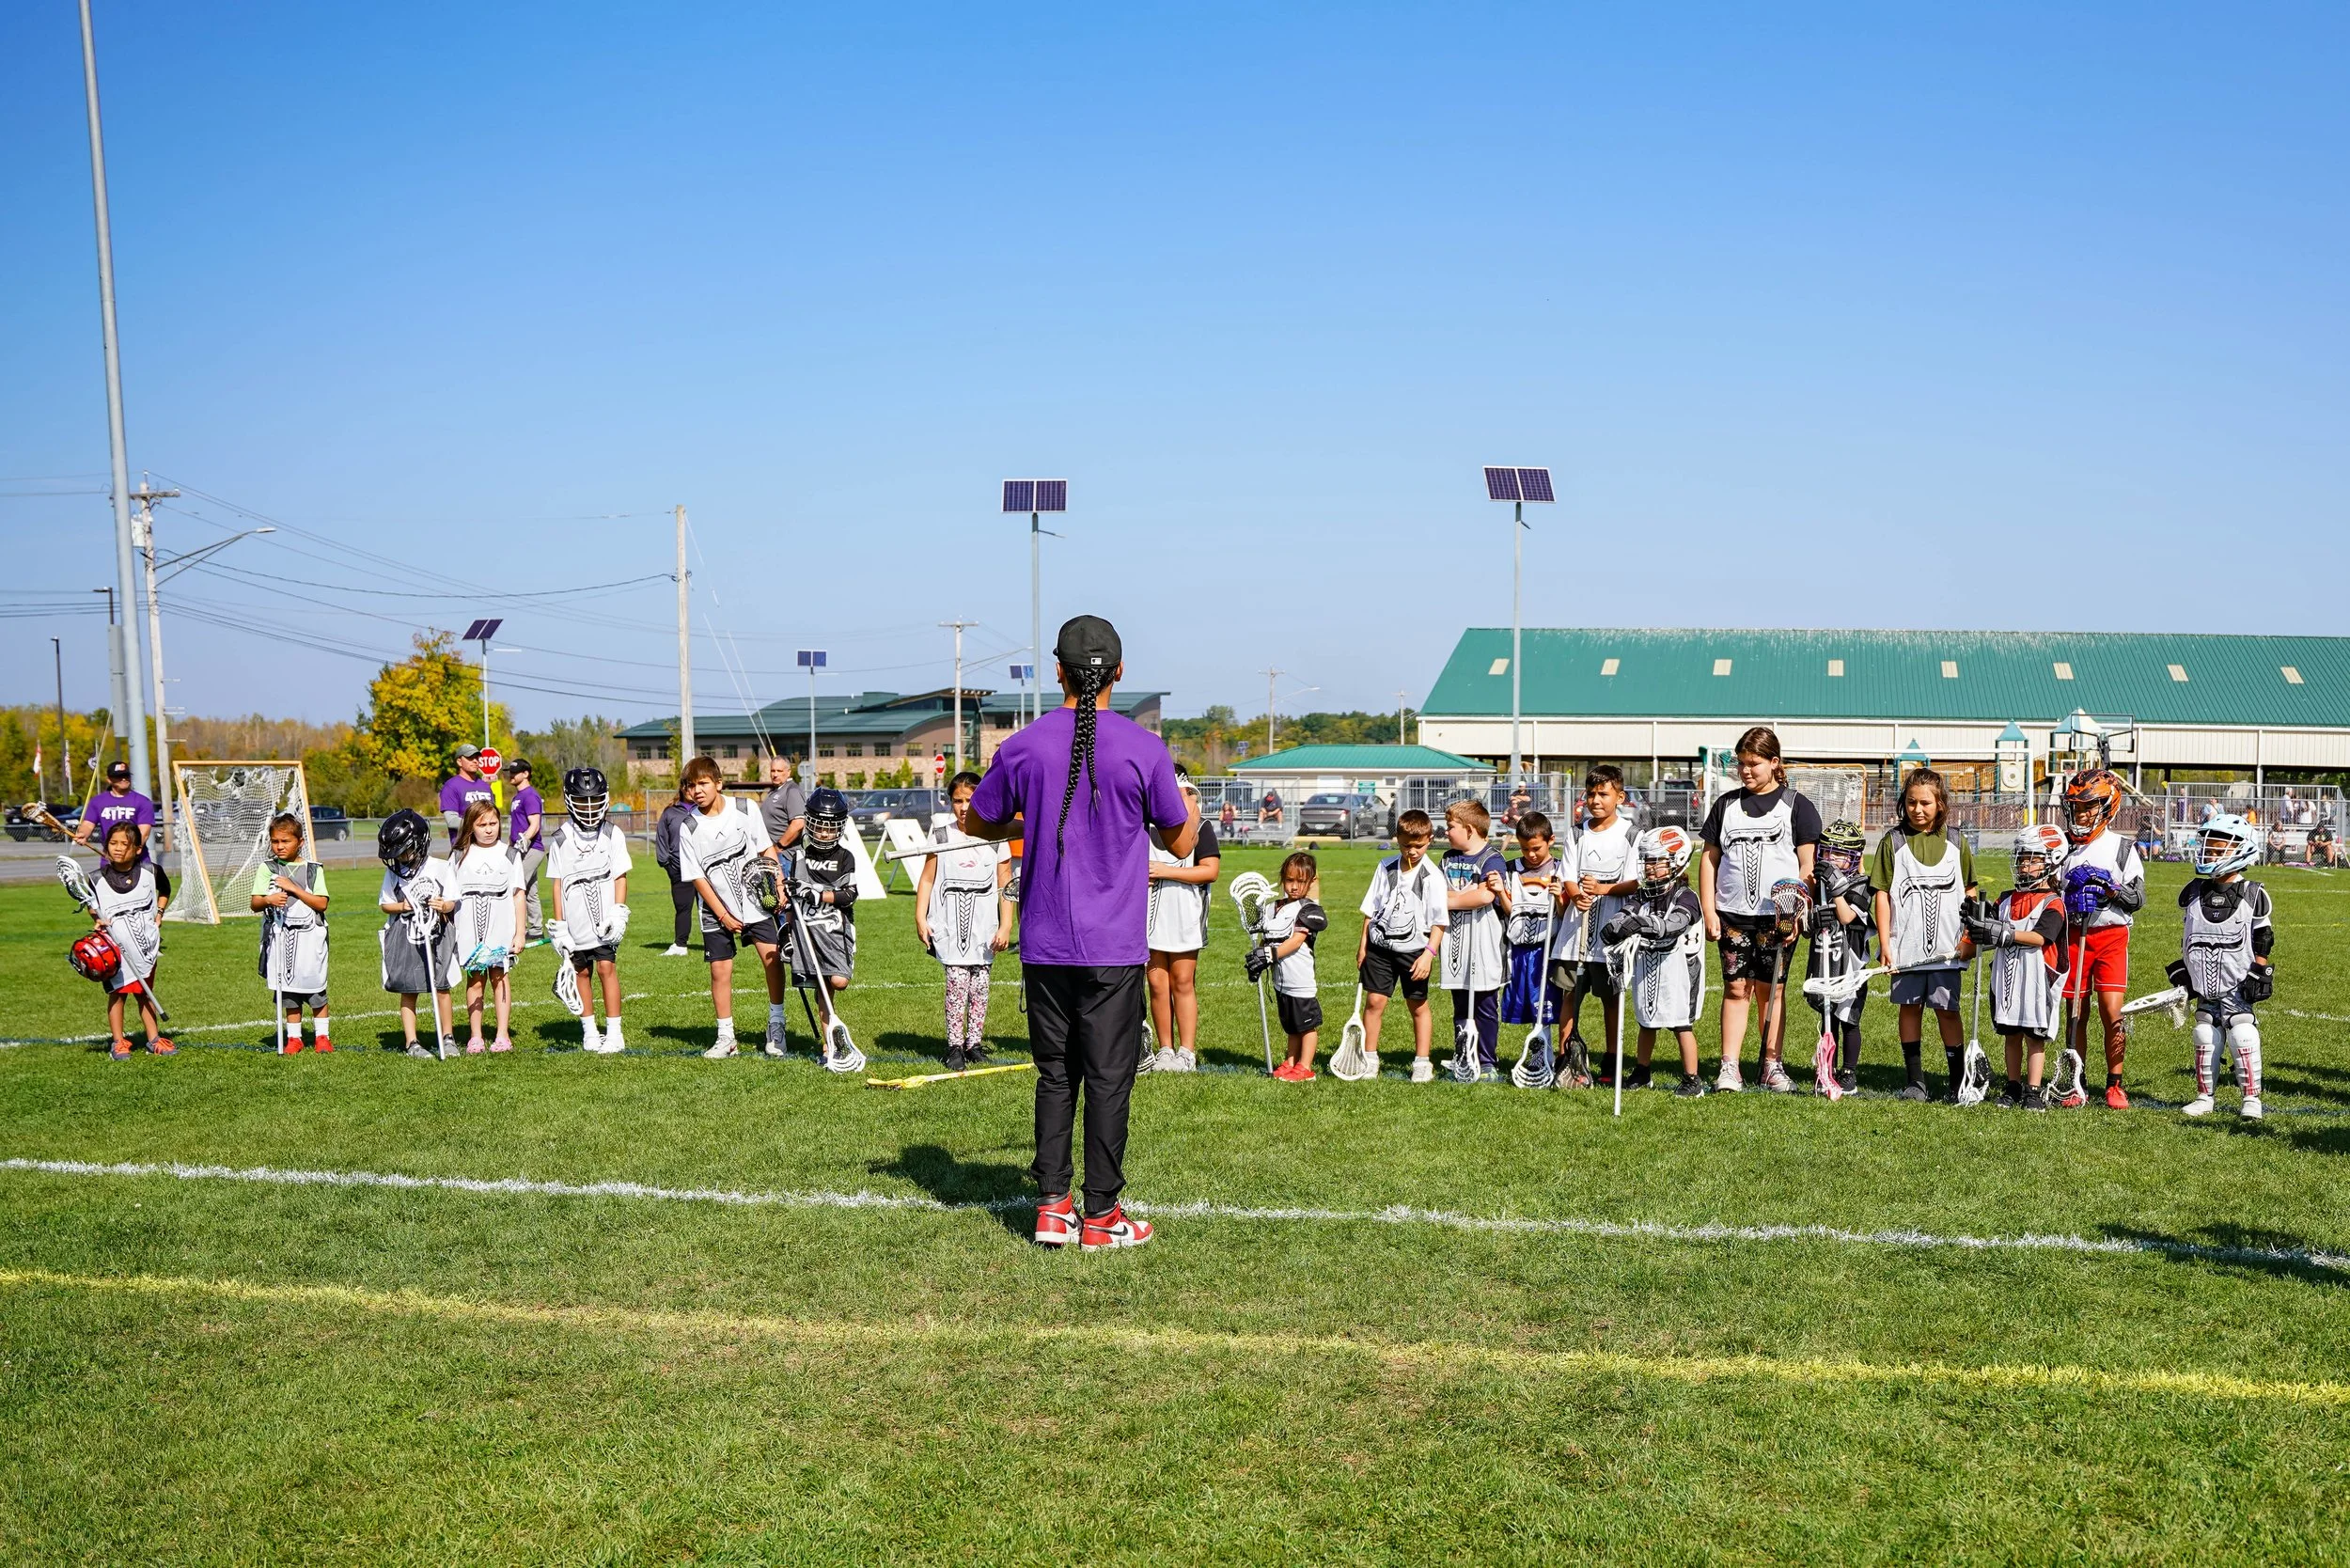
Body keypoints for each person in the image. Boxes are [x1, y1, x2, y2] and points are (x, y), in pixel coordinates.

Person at [964, 615, 1196, 1252]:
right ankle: (1100, 1217)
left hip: (1045, 941)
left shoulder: (1022, 745)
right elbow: (1180, 840)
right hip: (1113, 947)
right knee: (1109, 1078)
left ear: (1058, 671)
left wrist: (1026, 812)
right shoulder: (1144, 748)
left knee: (1056, 1076)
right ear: (1120, 672)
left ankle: (1052, 1209)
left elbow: (980, 822)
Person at [1700, 726, 1822, 1092]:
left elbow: (1808, 866)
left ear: (1774, 762)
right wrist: (1709, 909)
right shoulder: (1726, 806)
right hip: (1733, 916)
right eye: (1741, 764)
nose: (1746, 771)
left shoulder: (1797, 805)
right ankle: (1729, 1067)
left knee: (1773, 992)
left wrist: (1796, 908)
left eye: (1754, 763)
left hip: (1778, 919)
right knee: (1737, 989)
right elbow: (1709, 860)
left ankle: (1771, 1064)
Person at [1872, 768, 1981, 1103]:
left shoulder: (1956, 842)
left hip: (1948, 948)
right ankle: (1915, 1081)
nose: (1917, 809)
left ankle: (1957, 1079)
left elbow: (1970, 892)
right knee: (1910, 1007)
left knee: (1948, 1010)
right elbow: (1882, 895)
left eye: (1925, 803)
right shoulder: (1893, 842)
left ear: (1940, 803)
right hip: (1907, 947)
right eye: (1911, 802)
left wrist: (1968, 938)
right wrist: (1885, 944)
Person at [676, 756, 788, 1058]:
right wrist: (723, 914)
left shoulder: (744, 808)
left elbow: (766, 849)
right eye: (691, 785)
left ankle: (776, 1026)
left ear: (718, 783)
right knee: (720, 972)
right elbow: (697, 877)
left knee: (773, 960)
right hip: (716, 910)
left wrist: (777, 885)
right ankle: (726, 1037)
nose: (697, 790)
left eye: (703, 783)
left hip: (756, 902)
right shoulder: (687, 826)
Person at [2057, 768, 2147, 1108]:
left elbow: (2137, 899)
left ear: (2107, 806)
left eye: (2088, 806)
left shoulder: (2122, 848)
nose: (2080, 813)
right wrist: (2069, 896)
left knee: (2112, 1010)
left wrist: (2110, 888)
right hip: (2074, 936)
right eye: (2076, 807)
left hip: (2110, 936)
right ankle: (2076, 1083)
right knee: (2075, 1010)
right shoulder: (2062, 845)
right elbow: (2049, 891)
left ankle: (2115, 1083)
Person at [2173, 814, 2273, 1121]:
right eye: (2208, 849)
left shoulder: (2254, 893)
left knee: (2242, 1032)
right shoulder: (2194, 892)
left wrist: (2260, 969)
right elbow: (2188, 935)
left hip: (2237, 980)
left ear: (2241, 851)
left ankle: (2251, 1099)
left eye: (2218, 851)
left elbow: (2263, 938)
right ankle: (2204, 1096)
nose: (2209, 855)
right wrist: (2184, 973)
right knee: (2204, 1032)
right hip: (2205, 981)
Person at [1962, 823, 2068, 1110]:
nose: (2024, 865)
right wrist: (1976, 914)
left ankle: (2033, 1090)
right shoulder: (2007, 898)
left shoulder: (2053, 902)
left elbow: (2040, 937)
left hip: (2036, 980)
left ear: (2051, 862)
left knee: (2035, 1037)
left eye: (2032, 859)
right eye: (2022, 858)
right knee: (2011, 1034)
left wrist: (2005, 934)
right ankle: (2012, 1085)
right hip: (2008, 976)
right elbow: (1991, 922)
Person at [915, 770, 1012, 1073]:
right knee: (957, 984)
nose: (963, 807)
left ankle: (974, 1044)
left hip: (984, 928)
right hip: (951, 925)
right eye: (957, 800)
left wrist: (1006, 924)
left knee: (980, 986)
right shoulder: (941, 835)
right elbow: (928, 878)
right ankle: (954, 1046)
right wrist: (920, 916)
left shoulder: (997, 834)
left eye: (970, 799)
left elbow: (1005, 883)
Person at [1549, 766, 1640, 1087]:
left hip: (1609, 937)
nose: (1596, 800)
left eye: (1603, 794)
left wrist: (1603, 889)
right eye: (1591, 794)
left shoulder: (1631, 834)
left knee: (1611, 999)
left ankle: (1611, 1060)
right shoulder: (1576, 833)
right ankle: (1566, 1058)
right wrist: (1575, 896)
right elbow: (1568, 876)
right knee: (1569, 996)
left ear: (1620, 797)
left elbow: (1634, 882)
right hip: (1574, 936)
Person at [1600, 824, 1707, 1097]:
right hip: (1647, 967)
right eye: (1647, 861)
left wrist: (1639, 923)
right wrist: (1614, 927)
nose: (1649, 867)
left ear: (1676, 861)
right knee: (1646, 1021)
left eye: (1656, 861)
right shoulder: (1643, 894)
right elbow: (1625, 914)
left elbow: (1674, 924)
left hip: (1679, 970)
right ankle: (1642, 1071)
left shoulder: (1686, 896)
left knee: (1680, 1023)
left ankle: (1692, 1079)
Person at [1357, 809, 1449, 1084]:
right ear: (1396, 838)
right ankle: (1369, 1057)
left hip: (1415, 952)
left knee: (1417, 1004)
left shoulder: (1432, 876)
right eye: (1406, 844)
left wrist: (1428, 955)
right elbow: (1370, 910)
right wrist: (1363, 945)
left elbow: (1439, 923)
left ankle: (1422, 1061)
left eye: (1418, 845)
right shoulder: (1385, 867)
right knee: (1374, 1001)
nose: (1412, 851)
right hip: (1380, 949)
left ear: (1430, 840)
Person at [547, 767, 632, 1055]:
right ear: (570, 801)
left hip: (604, 920)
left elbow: (620, 875)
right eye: (583, 802)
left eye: (595, 800)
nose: (589, 808)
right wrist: (560, 927)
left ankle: (615, 1032)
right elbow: (557, 885)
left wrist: (618, 912)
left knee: (607, 968)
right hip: (576, 920)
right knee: (581, 973)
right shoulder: (560, 839)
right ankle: (590, 1030)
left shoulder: (612, 833)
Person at [1142, 776, 1221, 1074]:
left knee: (1183, 982)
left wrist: (1165, 871)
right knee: (1157, 983)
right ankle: (1165, 1049)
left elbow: (1210, 871)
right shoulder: (1146, 826)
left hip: (1185, 916)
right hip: (1149, 917)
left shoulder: (1201, 827)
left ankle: (1186, 1052)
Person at [375, 808, 457, 1058]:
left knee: (441, 987)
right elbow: (384, 904)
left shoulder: (441, 867)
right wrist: (403, 906)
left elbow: (452, 901)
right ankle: (412, 1042)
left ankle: (448, 1037)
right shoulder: (394, 874)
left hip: (436, 936)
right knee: (408, 989)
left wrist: (443, 905)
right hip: (406, 935)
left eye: (404, 852)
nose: (400, 859)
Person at [251, 810, 332, 1055]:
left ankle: (322, 1037)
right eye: (275, 841)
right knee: (288, 991)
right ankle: (294, 1038)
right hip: (281, 936)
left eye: (285, 841)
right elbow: (255, 903)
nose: (279, 846)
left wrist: (293, 887)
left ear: (300, 842)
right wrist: (269, 899)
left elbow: (321, 903)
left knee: (315, 987)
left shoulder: (313, 870)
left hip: (310, 939)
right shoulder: (267, 868)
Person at [1439, 798, 1509, 1082]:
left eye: (1450, 827)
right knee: (1460, 1002)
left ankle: (1487, 1061)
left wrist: (1452, 899)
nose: (1446, 832)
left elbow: (1485, 897)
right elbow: (1436, 895)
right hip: (1455, 942)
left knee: (1484, 1003)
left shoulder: (1492, 859)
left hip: (1484, 945)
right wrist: (1462, 898)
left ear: (1469, 829)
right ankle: (1463, 1056)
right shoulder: (1447, 858)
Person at [88, 821, 171, 1058]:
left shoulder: (151, 871)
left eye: (124, 844)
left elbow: (165, 890)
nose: (117, 848)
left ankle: (154, 1038)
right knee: (118, 993)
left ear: (137, 849)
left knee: (146, 992)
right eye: (112, 843)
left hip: (145, 945)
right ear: (105, 847)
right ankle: (118, 1041)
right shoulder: (95, 878)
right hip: (114, 948)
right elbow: (92, 906)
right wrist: (97, 918)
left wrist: (159, 914)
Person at [447, 799, 525, 1054]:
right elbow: (449, 896)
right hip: (469, 932)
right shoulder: (458, 855)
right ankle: (476, 1036)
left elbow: (518, 895)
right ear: (471, 826)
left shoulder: (510, 854)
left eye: (493, 823)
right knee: (475, 980)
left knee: (499, 978)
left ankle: (502, 1035)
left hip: (501, 931)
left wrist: (520, 933)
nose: (489, 829)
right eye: (482, 825)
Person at [1805, 819, 1874, 1094]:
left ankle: (1849, 1072)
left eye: (1840, 853)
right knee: (1827, 1017)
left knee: (1849, 1020)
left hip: (1851, 964)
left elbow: (1846, 916)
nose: (1832, 858)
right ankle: (1827, 1067)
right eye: (1829, 852)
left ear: (1854, 857)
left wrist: (1835, 888)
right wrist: (1812, 917)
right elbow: (1807, 929)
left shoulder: (1861, 885)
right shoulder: (1818, 884)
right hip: (1825, 960)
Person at [1499, 810, 1566, 1084]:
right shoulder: (1512, 868)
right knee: (1525, 1001)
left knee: (1548, 1002)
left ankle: (1546, 1054)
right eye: (1525, 848)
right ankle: (1539, 1049)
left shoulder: (1560, 868)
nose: (1531, 854)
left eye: (1536, 848)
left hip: (1548, 947)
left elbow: (1564, 913)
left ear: (1550, 840)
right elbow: (1510, 910)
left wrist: (1559, 897)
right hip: (1520, 947)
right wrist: (1501, 893)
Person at [788, 787, 861, 1025]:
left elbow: (849, 895)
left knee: (838, 981)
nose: (823, 834)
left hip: (835, 931)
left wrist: (817, 895)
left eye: (830, 829)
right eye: (819, 827)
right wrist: (786, 933)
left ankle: (831, 1038)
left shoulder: (845, 857)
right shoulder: (800, 858)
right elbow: (792, 902)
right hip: (808, 932)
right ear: (809, 823)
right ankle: (828, 1044)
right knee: (822, 983)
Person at [1251, 851, 1327, 1080]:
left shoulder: (1308, 909)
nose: (1294, 886)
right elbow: (1269, 936)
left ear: (1310, 882)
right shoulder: (1275, 907)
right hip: (1281, 980)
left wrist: (1269, 955)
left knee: (1306, 1026)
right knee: (1291, 1026)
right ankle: (1291, 1061)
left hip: (1300, 979)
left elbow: (1295, 942)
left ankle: (1305, 1067)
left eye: (1300, 881)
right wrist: (1260, 954)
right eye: (1289, 880)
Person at [72, 760, 155, 861]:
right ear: (109, 780)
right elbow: (88, 825)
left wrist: (130, 851)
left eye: (126, 775)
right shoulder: (97, 801)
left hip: (138, 860)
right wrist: (83, 834)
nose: (124, 779)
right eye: (119, 776)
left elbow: (144, 833)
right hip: (109, 860)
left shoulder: (143, 801)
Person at [506, 759, 548, 942]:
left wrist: (525, 838)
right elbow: (515, 825)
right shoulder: (516, 797)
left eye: (516, 772)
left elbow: (535, 824)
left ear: (526, 774)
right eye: (511, 772)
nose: (511, 775)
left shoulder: (530, 795)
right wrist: (509, 846)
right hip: (519, 849)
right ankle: (536, 929)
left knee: (516, 887)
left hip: (532, 849)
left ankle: (516, 928)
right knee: (530, 890)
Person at [654, 783, 698, 956]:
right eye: (687, 786)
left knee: (711, 909)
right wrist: (667, 865)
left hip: (705, 869)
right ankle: (680, 945)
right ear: (681, 788)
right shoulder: (670, 812)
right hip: (679, 870)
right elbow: (662, 839)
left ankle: (717, 944)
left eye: (693, 786)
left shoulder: (704, 809)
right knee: (683, 908)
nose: (690, 790)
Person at [439, 744, 496, 847]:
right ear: (459, 761)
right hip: (464, 847)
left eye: (477, 758)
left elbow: (493, 816)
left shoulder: (485, 786)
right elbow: (452, 821)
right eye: (470, 758)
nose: (475, 761)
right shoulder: (451, 786)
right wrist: (478, 825)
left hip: (488, 847)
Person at [760, 756, 807, 853]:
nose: (775, 774)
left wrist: (779, 847)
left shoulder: (792, 791)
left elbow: (798, 824)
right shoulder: (775, 790)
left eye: (779, 771)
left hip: (785, 856)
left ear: (788, 772)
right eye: (773, 771)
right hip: (771, 853)